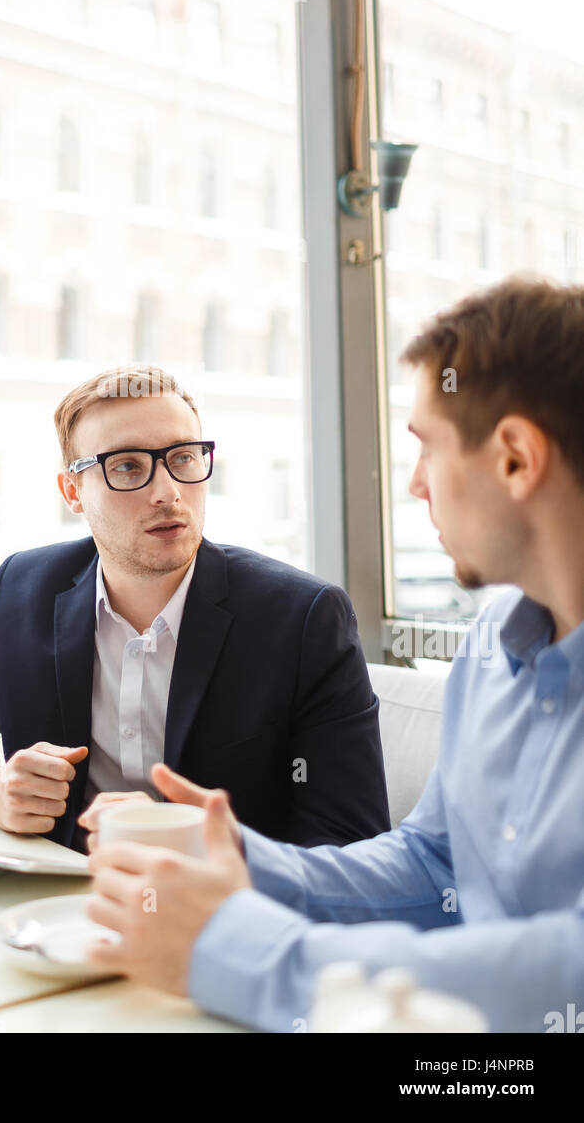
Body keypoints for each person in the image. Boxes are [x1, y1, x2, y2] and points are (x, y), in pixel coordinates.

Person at [85, 279, 584, 1032]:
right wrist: (247, 865)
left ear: (515, 458)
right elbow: (435, 865)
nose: (414, 484)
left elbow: (567, 969)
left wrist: (239, 950)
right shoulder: (494, 644)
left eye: (426, 448)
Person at [0, 364, 390, 850]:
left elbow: (352, 837)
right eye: (128, 467)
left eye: (183, 458)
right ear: (72, 490)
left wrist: (178, 837)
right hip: (55, 910)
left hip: (223, 922)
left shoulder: (302, 618)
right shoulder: (24, 592)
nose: (168, 492)